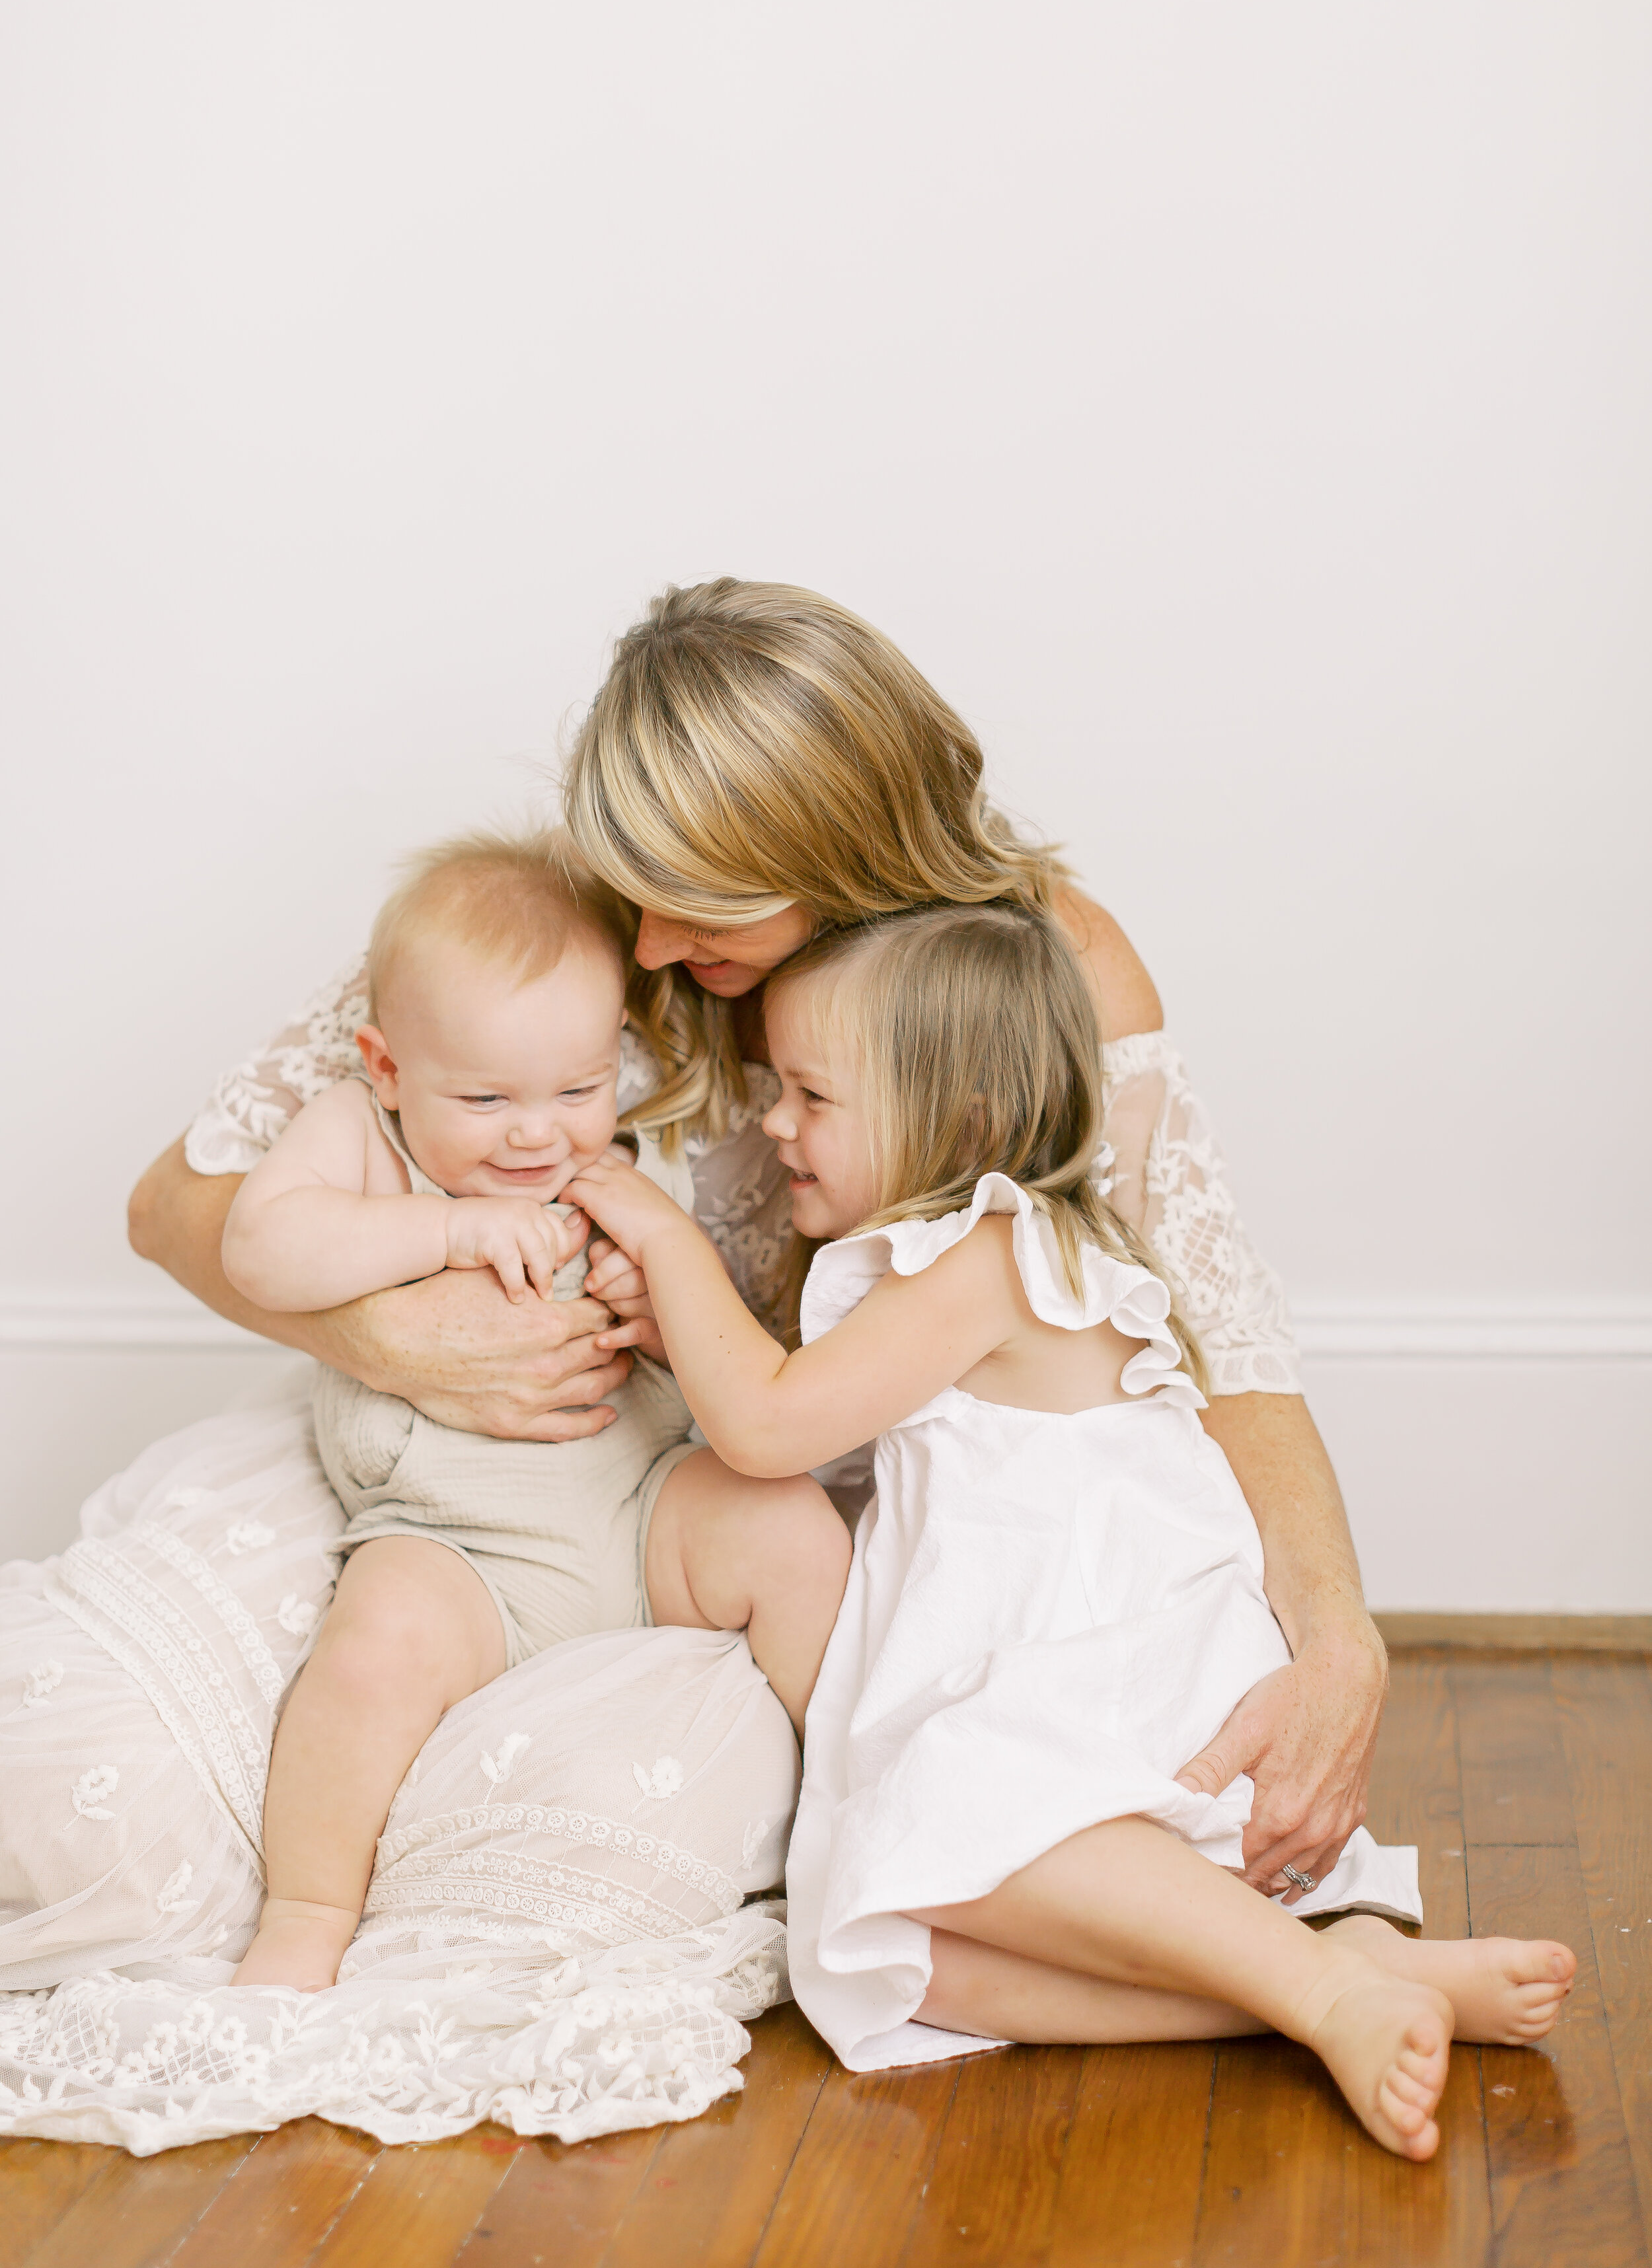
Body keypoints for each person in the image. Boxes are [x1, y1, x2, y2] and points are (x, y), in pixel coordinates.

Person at [126, 576, 1382, 1957]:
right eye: (636, 898)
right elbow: (180, 1203)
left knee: (647, 1849)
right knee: (125, 1785)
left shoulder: (1041, 972)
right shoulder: (578, 913)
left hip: (769, 1522)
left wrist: (1334, 1635)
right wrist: (403, 1343)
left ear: (841, 857)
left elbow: (1215, 1338)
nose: (648, 946)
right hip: (467, 1480)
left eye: (697, 910)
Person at [563, 904, 1576, 2162]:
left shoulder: (994, 1252)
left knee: (931, 1819)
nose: (777, 1123)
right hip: (1047, 1675)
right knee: (888, 1955)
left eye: (813, 1094)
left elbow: (769, 1428)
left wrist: (665, 1245)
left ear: (966, 1121)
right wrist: (680, 1342)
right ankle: (1330, 1982)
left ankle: (1322, 1991)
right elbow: (808, 1412)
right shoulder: (961, 1256)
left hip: (1108, 1678)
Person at [220, 830, 849, 1989]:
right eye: (488, 1097)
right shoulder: (366, 1139)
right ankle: (307, 1913)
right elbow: (259, 1246)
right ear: (390, 1065)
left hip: (642, 1505)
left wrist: (652, 1302)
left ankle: (864, 1801)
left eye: (578, 1087)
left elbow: (719, 1361)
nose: (536, 1131)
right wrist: (447, 1231)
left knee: (795, 1529)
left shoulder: (601, 1164)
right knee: (367, 1658)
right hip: (462, 1547)